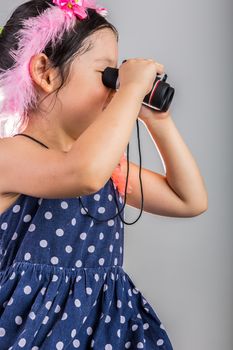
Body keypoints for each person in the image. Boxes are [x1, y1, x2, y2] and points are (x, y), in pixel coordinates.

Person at [0, 0, 208, 349]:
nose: (116, 88)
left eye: (118, 78)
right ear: (46, 73)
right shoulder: (10, 155)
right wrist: (130, 89)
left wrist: (158, 121)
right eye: (107, 75)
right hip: (29, 330)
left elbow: (188, 200)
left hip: (103, 327)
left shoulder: (106, 167)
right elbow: (82, 173)